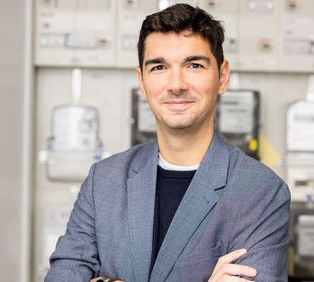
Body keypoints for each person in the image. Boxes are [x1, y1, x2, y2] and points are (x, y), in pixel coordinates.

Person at [45, 3, 290, 282]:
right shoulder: (104, 181)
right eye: (159, 67)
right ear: (142, 81)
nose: (176, 84)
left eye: (194, 65)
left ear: (222, 77)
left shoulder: (261, 192)